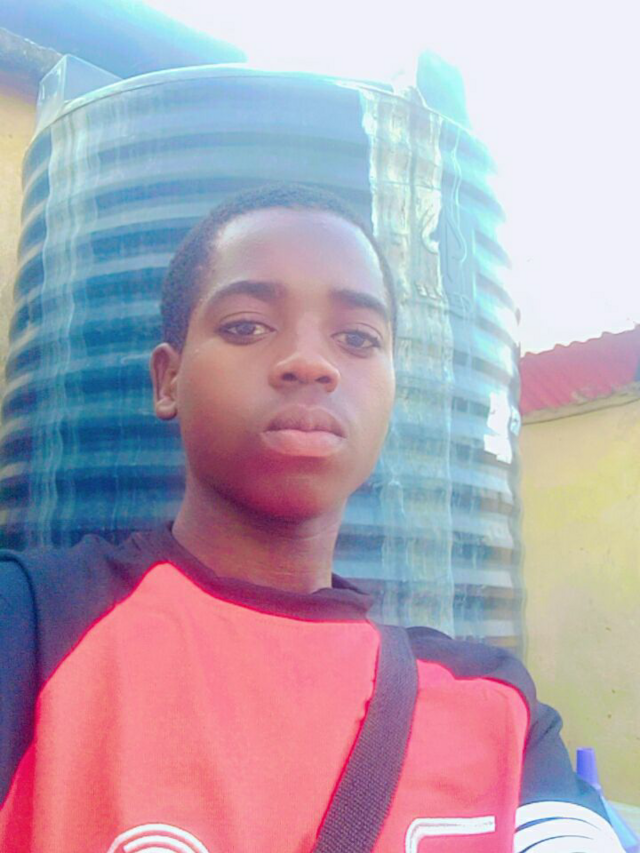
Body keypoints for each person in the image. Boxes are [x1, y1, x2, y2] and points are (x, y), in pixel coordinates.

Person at [0, 184, 623, 852]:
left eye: (357, 338)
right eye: (246, 326)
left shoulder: (497, 709)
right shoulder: (31, 630)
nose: (310, 362)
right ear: (167, 379)